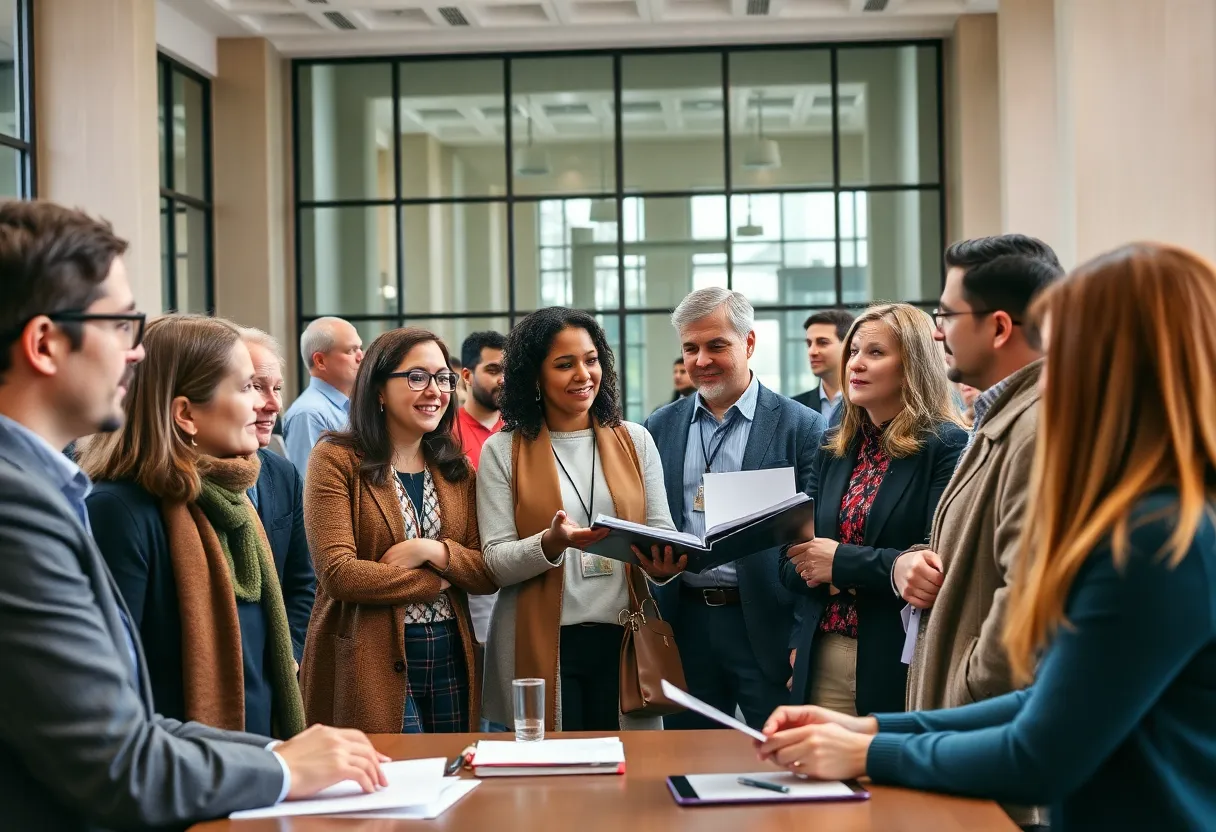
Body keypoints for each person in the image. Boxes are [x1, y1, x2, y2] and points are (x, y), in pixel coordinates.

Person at [755, 242, 1216, 832]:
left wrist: (867, 752)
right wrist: (868, 728)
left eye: (1065, 343)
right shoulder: (1150, 515)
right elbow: (1047, 703)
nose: (1052, 366)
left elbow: (1041, 753)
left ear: (1120, 362)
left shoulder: (1159, 536)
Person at [0, 200, 385, 828]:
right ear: (45, 343)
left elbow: (134, 720)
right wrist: (288, 769)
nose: (135, 354)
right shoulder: (18, 507)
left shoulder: (42, 491)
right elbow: (114, 758)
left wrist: (281, 751)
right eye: (121, 325)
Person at [82, 315, 306, 741]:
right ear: (185, 413)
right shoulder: (118, 511)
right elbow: (116, 697)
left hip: (255, 764)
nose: (265, 405)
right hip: (184, 781)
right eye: (247, 388)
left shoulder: (231, 501)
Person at [477, 308, 681, 733]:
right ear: (534, 376)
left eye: (591, 360)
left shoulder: (635, 439)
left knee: (629, 782)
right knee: (553, 784)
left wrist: (664, 566)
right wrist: (550, 543)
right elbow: (495, 561)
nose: (583, 374)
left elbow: (661, 529)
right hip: (542, 643)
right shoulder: (502, 450)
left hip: (625, 641)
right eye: (564, 364)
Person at [644, 288, 826, 731]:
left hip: (767, 624)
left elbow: (815, 538)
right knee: (687, 759)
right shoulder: (659, 426)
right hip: (684, 622)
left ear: (748, 343)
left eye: (716, 345)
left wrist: (804, 634)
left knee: (778, 756)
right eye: (691, 348)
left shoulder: (801, 426)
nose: (701, 359)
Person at [301, 328, 497, 734]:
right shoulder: (335, 459)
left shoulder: (456, 467)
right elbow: (339, 574)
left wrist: (434, 551)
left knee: (453, 779)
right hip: (368, 653)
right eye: (416, 377)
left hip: (451, 650)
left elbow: (484, 572)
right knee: (395, 781)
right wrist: (437, 582)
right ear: (378, 390)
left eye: (442, 378)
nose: (435, 391)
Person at [779, 304, 966, 717]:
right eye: (854, 351)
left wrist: (838, 564)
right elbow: (790, 563)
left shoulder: (946, 444)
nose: (855, 364)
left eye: (875, 353)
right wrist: (873, 568)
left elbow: (936, 563)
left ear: (912, 365)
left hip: (899, 658)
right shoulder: (834, 446)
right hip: (822, 650)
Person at [240, 327, 316, 663]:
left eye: (278, 389)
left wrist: (290, 655)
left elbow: (304, 582)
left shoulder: (282, 473)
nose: (273, 404)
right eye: (255, 386)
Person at [282, 316, 363, 472]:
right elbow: (307, 489)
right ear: (320, 361)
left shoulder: (352, 406)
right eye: (350, 351)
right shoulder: (309, 414)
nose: (361, 356)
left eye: (359, 348)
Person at [455, 330, 506, 472]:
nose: (503, 380)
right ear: (467, 376)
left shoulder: (520, 429)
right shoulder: (446, 433)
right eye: (493, 370)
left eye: (508, 371)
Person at [793, 310, 855, 420]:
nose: (812, 351)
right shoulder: (794, 408)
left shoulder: (869, 405)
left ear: (848, 346)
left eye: (822, 342)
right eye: (809, 344)